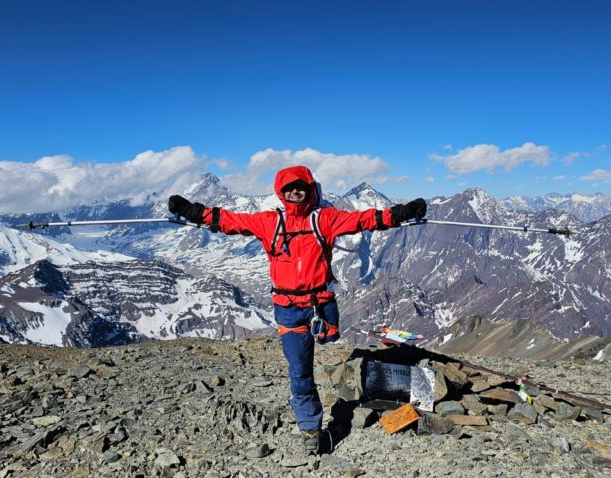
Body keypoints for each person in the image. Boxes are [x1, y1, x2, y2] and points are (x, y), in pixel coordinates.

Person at [168, 165, 426, 454]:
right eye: (289, 188)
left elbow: (364, 220)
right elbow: (230, 221)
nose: (295, 192)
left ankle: (334, 364)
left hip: (320, 305)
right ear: (281, 191)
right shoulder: (269, 222)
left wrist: (401, 214)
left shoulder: (325, 219)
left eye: (301, 187)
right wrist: (192, 211)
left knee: (330, 339)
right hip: (288, 310)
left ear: (310, 189)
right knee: (300, 372)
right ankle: (310, 431)